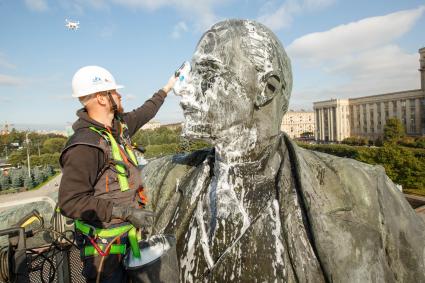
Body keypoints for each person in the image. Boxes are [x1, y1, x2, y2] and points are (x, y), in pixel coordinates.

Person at [141, 20, 425, 282]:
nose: (183, 90)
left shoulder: (368, 193)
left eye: (208, 74)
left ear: (267, 87)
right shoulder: (154, 179)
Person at [58, 65, 176, 282]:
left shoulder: (118, 128)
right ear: (102, 98)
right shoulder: (85, 146)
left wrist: (167, 87)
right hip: (104, 251)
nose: (120, 95)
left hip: (127, 237)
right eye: (114, 91)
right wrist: (125, 212)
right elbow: (70, 201)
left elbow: (146, 111)